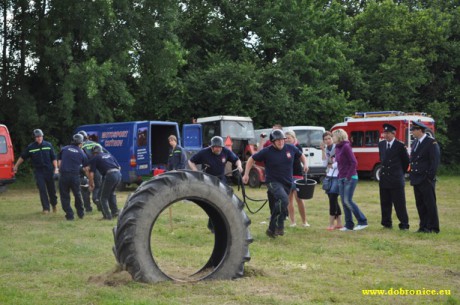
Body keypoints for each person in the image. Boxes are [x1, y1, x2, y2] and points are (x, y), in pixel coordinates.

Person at [243, 130, 308, 238]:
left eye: (282, 140)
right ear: (272, 142)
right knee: (284, 200)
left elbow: (301, 155)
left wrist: (305, 164)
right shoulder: (267, 151)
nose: (280, 142)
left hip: (287, 182)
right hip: (273, 182)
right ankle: (280, 226)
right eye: (277, 141)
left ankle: (272, 229)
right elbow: (251, 159)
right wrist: (246, 174)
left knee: (278, 205)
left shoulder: (290, 148)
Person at [188, 136, 243, 232]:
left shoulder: (226, 151)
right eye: (216, 147)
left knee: (224, 201)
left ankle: (221, 224)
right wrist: (195, 171)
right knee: (213, 203)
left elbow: (236, 160)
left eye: (220, 147)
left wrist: (239, 166)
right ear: (212, 147)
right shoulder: (204, 153)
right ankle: (213, 226)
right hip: (208, 180)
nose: (218, 149)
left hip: (221, 179)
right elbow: (191, 161)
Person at [13, 129, 59, 214]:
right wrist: (16, 166)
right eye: (37, 137)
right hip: (39, 172)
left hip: (49, 170)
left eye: (40, 136)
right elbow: (23, 157)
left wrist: (56, 168)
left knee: (52, 190)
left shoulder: (48, 145)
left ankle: (54, 205)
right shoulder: (31, 147)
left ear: (42, 136)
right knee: (42, 189)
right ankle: (46, 209)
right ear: (34, 137)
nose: (39, 138)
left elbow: (54, 158)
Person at [332, 129, 368, 231]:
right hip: (341, 177)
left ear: (339, 136)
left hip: (350, 177)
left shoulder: (346, 147)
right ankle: (349, 225)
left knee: (348, 200)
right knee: (344, 202)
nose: (332, 138)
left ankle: (362, 221)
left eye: (333, 136)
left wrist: (347, 176)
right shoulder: (337, 148)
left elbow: (354, 162)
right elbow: (339, 164)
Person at [409, 121, 441, 233]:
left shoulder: (431, 142)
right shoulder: (415, 143)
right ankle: (423, 227)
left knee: (430, 204)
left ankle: (433, 227)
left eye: (413, 130)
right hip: (416, 178)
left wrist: (429, 177)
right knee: (420, 204)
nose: (412, 132)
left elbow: (434, 161)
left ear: (419, 130)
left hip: (425, 178)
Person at [378, 123, 410, 230]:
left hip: (396, 179)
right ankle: (386, 223)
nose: (385, 135)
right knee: (385, 203)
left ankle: (404, 224)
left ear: (393, 133)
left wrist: (399, 173)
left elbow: (406, 162)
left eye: (387, 133)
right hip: (384, 179)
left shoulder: (400, 146)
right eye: (384, 133)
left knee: (399, 203)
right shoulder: (381, 144)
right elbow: (382, 159)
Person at [58, 134, 88, 220]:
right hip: (75, 176)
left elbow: (59, 161)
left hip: (64, 175)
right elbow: (86, 168)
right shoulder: (82, 153)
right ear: (81, 143)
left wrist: (60, 170)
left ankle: (69, 215)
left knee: (64, 196)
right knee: (77, 194)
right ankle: (81, 213)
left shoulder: (64, 149)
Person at [88, 144, 122, 220]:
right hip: (118, 174)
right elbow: (119, 167)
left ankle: (107, 216)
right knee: (111, 193)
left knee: (102, 197)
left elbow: (91, 173)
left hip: (110, 175)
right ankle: (115, 212)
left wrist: (91, 183)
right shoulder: (109, 155)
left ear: (94, 152)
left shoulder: (95, 158)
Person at [284, 131, 309, 227]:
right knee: (289, 200)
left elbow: (302, 157)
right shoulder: (283, 148)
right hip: (287, 176)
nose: (287, 139)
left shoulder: (297, 147)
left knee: (299, 199)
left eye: (289, 137)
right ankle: (292, 222)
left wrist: (306, 164)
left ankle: (304, 221)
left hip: (297, 175)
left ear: (294, 138)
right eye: (285, 138)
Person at [321, 131, 342, 231]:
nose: (327, 141)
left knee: (333, 198)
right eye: (325, 139)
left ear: (332, 138)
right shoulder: (326, 149)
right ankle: (339, 222)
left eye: (329, 138)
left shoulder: (337, 148)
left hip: (337, 175)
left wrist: (332, 165)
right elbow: (324, 163)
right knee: (332, 198)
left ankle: (331, 223)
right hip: (329, 175)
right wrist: (322, 151)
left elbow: (339, 162)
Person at [78, 130, 101, 212]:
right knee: (97, 186)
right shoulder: (96, 144)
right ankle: (97, 200)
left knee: (84, 189)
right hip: (97, 169)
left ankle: (88, 208)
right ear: (86, 137)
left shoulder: (79, 146)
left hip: (85, 169)